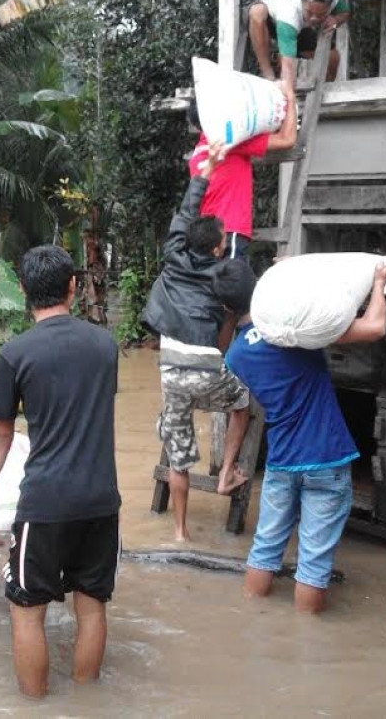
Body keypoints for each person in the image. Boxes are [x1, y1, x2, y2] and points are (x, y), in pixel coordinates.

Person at [0, 245, 121, 698]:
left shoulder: (17, 352)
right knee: (92, 607)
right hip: (102, 498)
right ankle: (87, 702)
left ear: (21, 289)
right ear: (73, 288)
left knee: (26, 608)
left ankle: (35, 706)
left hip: (45, 502)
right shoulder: (106, 345)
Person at [224, 260, 386, 614]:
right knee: (313, 566)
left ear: (224, 307)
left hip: (281, 462)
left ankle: (254, 620)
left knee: (264, 549)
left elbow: (240, 409)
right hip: (326, 458)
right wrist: (379, 282)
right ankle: (305, 641)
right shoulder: (296, 329)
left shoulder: (236, 356)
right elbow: (375, 327)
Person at [142, 143, 255, 543]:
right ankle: (227, 473)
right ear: (215, 248)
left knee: (178, 453)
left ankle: (179, 531)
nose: (226, 243)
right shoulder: (223, 272)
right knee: (242, 405)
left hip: (171, 372)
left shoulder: (174, 254)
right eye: (223, 240)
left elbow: (186, 213)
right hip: (207, 370)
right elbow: (241, 298)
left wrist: (204, 171)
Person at [188, 81, 298, 259]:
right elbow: (287, 139)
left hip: (207, 236)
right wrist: (290, 98)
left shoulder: (200, 149)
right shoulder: (230, 141)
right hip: (228, 232)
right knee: (231, 285)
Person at [248, 0, 351, 88]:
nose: (314, 18)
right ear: (301, 1)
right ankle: (268, 75)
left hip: (301, 28)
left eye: (321, 14)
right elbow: (288, 63)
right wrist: (288, 92)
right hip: (270, 22)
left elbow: (345, 13)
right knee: (257, 11)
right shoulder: (289, 14)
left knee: (333, 56)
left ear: (330, 5)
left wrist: (336, 20)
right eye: (310, 12)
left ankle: (323, 90)